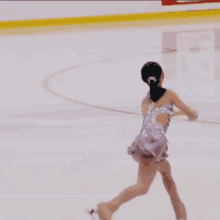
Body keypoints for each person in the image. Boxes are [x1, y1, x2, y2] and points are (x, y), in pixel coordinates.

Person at [88, 62, 198, 220]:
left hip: (144, 143)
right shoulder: (170, 95)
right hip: (155, 145)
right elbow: (191, 115)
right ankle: (107, 207)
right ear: (162, 76)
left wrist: (178, 113)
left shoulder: (145, 101)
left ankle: (180, 213)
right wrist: (192, 113)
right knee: (142, 187)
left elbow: (158, 117)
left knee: (167, 174)